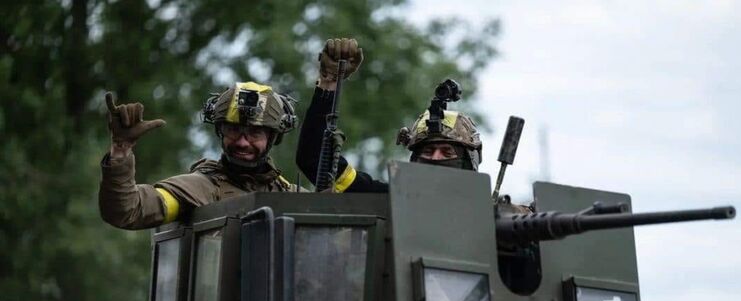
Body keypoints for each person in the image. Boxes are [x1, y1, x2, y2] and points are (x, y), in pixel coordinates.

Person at [100, 81, 300, 230]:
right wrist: (121, 148)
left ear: (273, 138)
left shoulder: (292, 196)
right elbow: (127, 211)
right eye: (233, 130)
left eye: (255, 133)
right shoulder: (197, 190)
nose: (242, 142)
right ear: (220, 131)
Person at [296, 38, 483, 193]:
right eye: (427, 151)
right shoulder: (391, 202)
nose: (435, 158)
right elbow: (315, 160)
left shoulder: (490, 215)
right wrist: (330, 82)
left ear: (468, 162)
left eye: (447, 152)